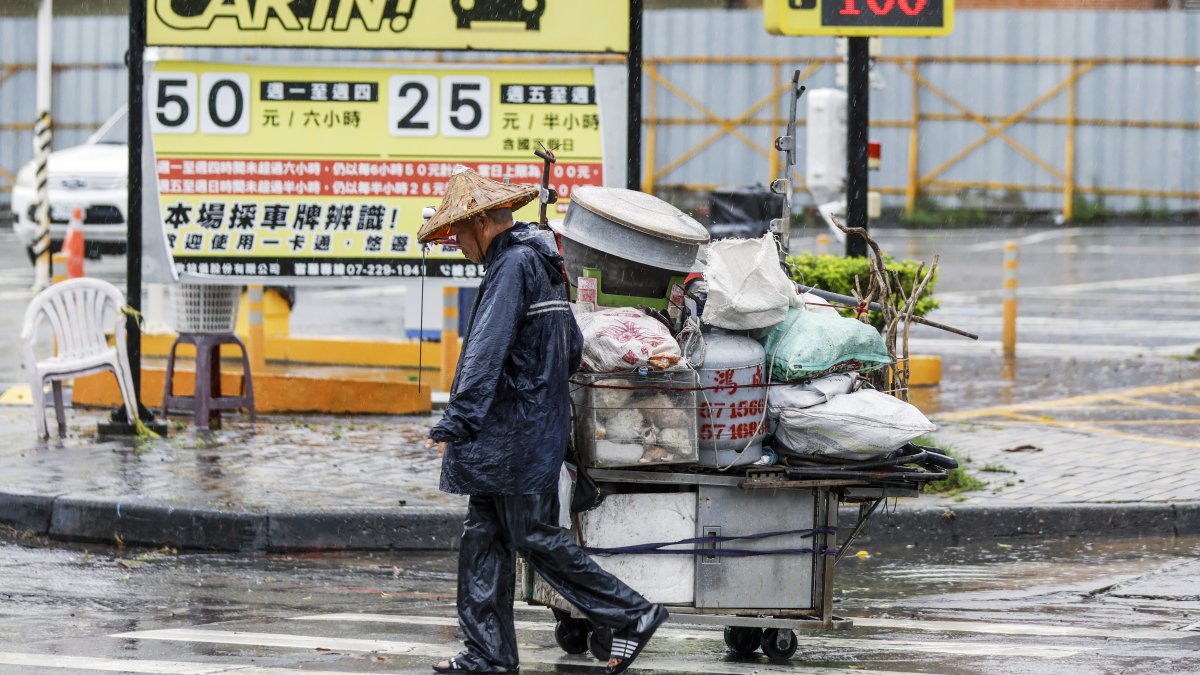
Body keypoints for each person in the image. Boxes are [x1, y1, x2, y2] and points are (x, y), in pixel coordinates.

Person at [419, 167, 667, 675]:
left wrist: (459, 418)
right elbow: (572, 346)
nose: (458, 244)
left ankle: (632, 614)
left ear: (483, 223)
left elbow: (485, 350)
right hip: (523, 428)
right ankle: (486, 653)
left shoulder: (510, 266)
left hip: (513, 433)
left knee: (532, 536)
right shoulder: (543, 264)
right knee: (483, 538)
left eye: (459, 233)